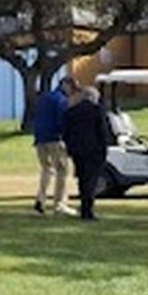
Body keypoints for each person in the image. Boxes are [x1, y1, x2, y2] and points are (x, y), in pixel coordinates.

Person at [63, 79, 110, 220]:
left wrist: (70, 148)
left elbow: (66, 132)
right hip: (94, 150)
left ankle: (84, 207)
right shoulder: (97, 111)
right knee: (92, 180)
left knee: (82, 180)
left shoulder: (71, 111)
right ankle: (88, 210)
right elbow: (103, 131)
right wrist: (104, 148)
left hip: (77, 151)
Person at [31, 76, 72, 212]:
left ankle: (40, 198)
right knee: (62, 170)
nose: (71, 91)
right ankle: (59, 203)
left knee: (47, 169)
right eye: (71, 87)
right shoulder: (61, 100)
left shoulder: (43, 98)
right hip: (55, 138)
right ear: (65, 85)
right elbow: (62, 120)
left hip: (39, 138)